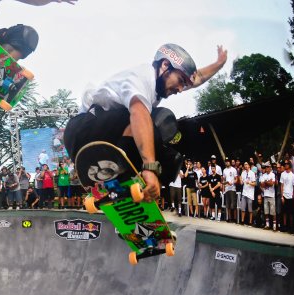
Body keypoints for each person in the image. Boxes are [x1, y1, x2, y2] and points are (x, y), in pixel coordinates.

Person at [64, 44, 228, 201]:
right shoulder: (142, 78)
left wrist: (219, 64)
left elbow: (197, 77)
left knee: (172, 160)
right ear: (165, 65)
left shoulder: (163, 80)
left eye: (183, 84)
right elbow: (138, 113)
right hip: (83, 131)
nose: (179, 89)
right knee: (162, 119)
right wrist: (149, 167)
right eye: (180, 81)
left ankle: (130, 191)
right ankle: (121, 172)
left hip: (103, 135)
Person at [279, 162, 294, 232]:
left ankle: (291, 228)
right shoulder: (282, 174)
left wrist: (293, 195)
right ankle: (284, 226)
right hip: (284, 195)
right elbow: (281, 185)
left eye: (286, 165)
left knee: (291, 213)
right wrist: (282, 196)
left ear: (289, 166)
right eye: (285, 165)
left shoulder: (292, 175)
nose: (285, 165)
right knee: (284, 212)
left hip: (291, 196)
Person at [260, 163, 277, 231]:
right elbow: (262, 185)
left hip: (272, 195)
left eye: (268, 167)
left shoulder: (272, 174)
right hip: (265, 194)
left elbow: (272, 184)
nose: (266, 169)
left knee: (273, 212)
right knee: (266, 211)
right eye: (266, 168)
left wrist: (266, 182)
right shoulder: (263, 175)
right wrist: (268, 182)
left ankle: (274, 226)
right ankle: (267, 225)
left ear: (270, 168)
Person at [239, 162, 257, 226]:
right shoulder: (243, 173)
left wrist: (249, 182)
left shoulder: (252, 173)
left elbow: (255, 184)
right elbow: (241, 183)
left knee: (250, 209)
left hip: (250, 193)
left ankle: (250, 222)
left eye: (246, 164)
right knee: (243, 208)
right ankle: (242, 221)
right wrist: (240, 180)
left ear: (249, 166)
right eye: (244, 164)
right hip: (244, 192)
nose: (245, 166)